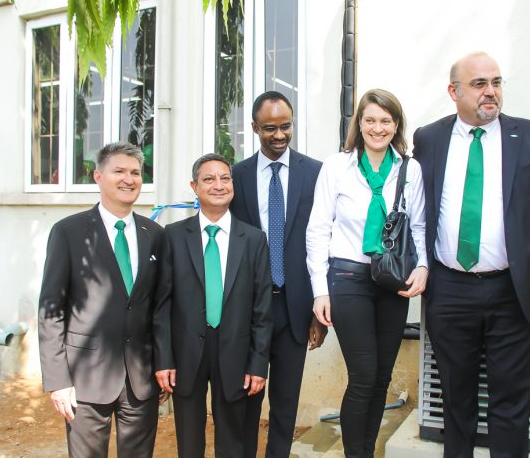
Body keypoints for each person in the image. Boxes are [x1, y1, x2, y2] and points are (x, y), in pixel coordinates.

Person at [412, 52, 530, 457]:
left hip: (513, 292)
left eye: (496, 82)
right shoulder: (428, 139)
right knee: (456, 402)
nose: (491, 92)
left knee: (511, 403)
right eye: (479, 84)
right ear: (454, 92)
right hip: (449, 291)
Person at [306, 89, 428, 458]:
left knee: (381, 378)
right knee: (362, 375)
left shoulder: (410, 170)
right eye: (370, 120)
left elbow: (418, 226)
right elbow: (318, 229)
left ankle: (366, 451)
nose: (378, 128)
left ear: (396, 125)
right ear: (359, 123)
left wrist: (423, 266)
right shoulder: (337, 167)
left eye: (386, 120)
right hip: (348, 277)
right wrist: (319, 290)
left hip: (392, 279)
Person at [38, 142, 164, 457]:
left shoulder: (154, 234)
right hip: (85, 379)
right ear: (98, 176)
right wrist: (58, 381)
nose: (129, 179)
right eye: (119, 171)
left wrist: (163, 366)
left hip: (140, 379)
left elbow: (160, 309)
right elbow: (51, 310)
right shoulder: (68, 232)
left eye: (136, 172)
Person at [153, 153, 273, 457]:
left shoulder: (254, 239)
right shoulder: (173, 236)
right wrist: (164, 358)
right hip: (186, 352)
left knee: (233, 439)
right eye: (208, 179)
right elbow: (162, 304)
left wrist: (258, 363)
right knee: (189, 440)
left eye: (225, 178)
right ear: (194, 187)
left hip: (236, 350)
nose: (218, 185)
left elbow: (262, 309)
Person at [230, 91, 328, 458]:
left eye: (286, 126)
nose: (279, 135)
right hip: (247, 310)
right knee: (246, 401)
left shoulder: (316, 173)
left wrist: (318, 312)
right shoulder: (236, 176)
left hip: (294, 309)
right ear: (255, 128)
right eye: (270, 128)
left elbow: (324, 243)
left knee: (286, 405)